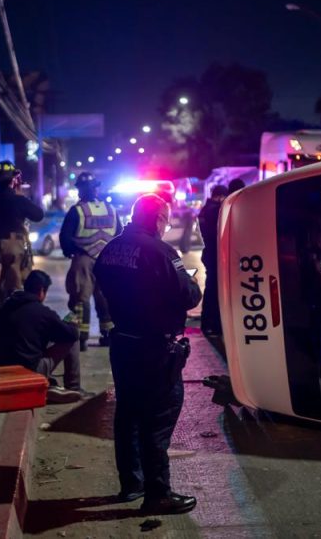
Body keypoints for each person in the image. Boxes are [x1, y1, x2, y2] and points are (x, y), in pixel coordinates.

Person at [95, 194, 202, 515]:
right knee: (158, 417)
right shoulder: (162, 252)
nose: (167, 224)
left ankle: (132, 483)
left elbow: (103, 280)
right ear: (156, 218)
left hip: (124, 341)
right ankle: (158, 493)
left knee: (128, 414)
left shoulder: (112, 248)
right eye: (165, 218)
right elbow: (188, 295)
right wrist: (188, 283)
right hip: (155, 347)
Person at [0, 270, 83, 404]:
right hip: (28, 371)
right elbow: (70, 335)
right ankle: (73, 386)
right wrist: (72, 324)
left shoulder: (7, 305)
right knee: (72, 338)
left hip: (2, 369)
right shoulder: (42, 312)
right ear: (42, 290)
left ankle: (50, 385)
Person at [60, 172, 122, 351]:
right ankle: (108, 335)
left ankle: (81, 338)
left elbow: (65, 237)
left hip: (83, 259)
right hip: (107, 260)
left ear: (81, 189)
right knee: (105, 298)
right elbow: (119, 234)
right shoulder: (111, 209)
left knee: (80, 298)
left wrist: (70, 252)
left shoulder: (77, 211)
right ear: (96, 188)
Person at [0, 160, 45, 318]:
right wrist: (20, 193)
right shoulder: (18, 200)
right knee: (14, 288)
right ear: (13, 180)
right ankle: (13, 324)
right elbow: (38, 215)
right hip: (13, 248)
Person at [197, 184, 229, 337]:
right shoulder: (215, 210)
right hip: (214, 254)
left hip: (209, 253)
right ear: (221, 196)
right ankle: (212, 325)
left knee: (211, 289)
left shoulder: (205, 209)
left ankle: (207, 323)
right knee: (214, 291)